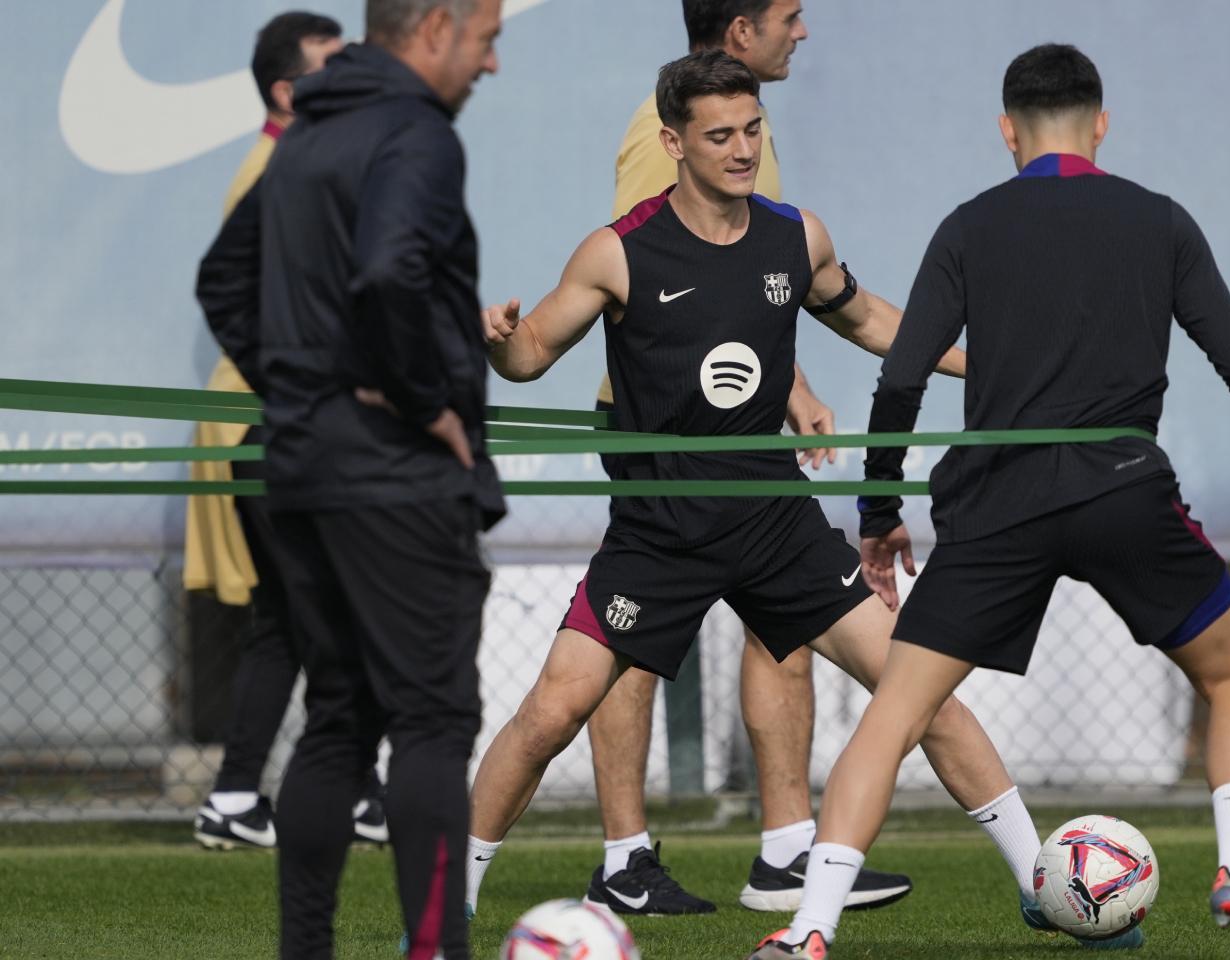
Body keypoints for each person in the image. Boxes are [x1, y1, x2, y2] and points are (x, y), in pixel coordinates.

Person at [751, 44, 1230, 960]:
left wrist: (876, 516)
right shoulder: (1160, 220)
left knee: (892, 719)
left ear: (1007, 131)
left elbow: (900, 378)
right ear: (1100, 125)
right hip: (1123, 490)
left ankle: (808, 933)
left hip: (998, 503)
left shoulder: (968, 226)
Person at [462, 50, 1037, 937]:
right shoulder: (619, 252)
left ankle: (1046, 885)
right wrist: (498, 343)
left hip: (775, 520)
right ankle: (445, 905)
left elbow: (873, 319)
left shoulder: (794, 236)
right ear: (674, 142)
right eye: (719, 135)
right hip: (660, 531)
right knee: (553, 709)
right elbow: (532, 353)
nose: (740, 150)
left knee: (917, 686)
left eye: (752, 131)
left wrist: (983, 362)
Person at [552, 0, 891, 918]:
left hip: (736, 420)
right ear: (738, 29)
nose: (804, 31)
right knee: (628, 642)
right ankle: (625, 853)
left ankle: (786, 848)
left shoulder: (739, 126)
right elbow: (668, 293)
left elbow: (753, 292)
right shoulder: (661, 135)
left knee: (779, 615)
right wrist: (789, 390)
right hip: (660, 426)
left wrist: (793, 388)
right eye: (788, 14)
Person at [196, 0, 506, 956]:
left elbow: (221, 280)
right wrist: (424, 403)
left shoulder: (306, 132)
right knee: (434, 720)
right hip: (395, 479)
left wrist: (305, 387)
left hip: (298, 465)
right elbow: (387, 273)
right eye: (487, 41)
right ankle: (434, 947)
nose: (492, 65)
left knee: (337, 718)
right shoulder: (414, 132)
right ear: (436, 28)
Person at [185, 10, 391, 854]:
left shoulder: (297, 161)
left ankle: (239, 796)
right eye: (329, 66)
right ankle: (355, 794)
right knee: (333, 607)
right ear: (286, 89)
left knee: (292, 617)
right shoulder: (281, 166)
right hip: (268, 430)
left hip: (266, 426)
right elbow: (254, 299)